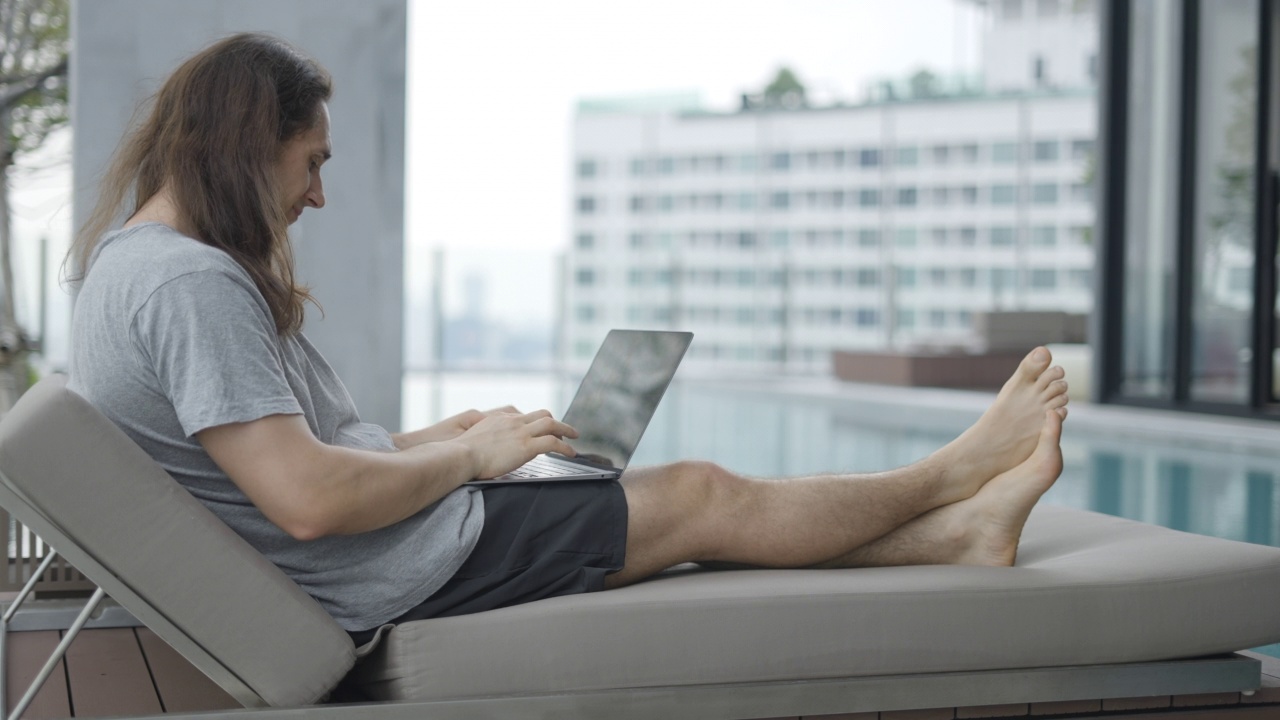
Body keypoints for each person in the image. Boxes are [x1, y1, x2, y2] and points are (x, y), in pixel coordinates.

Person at [67, 33, 1069, 647]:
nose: (318, 193)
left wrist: (439, 438)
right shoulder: (189, 283)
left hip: (380, 548)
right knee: (697, 494)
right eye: (309, 162)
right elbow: (308, 501)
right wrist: (468, 457)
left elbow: (281, 466)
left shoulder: (135, 264)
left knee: (668, 519)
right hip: (384, 570)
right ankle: (951, 474)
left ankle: (957, 536)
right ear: (249, 147)